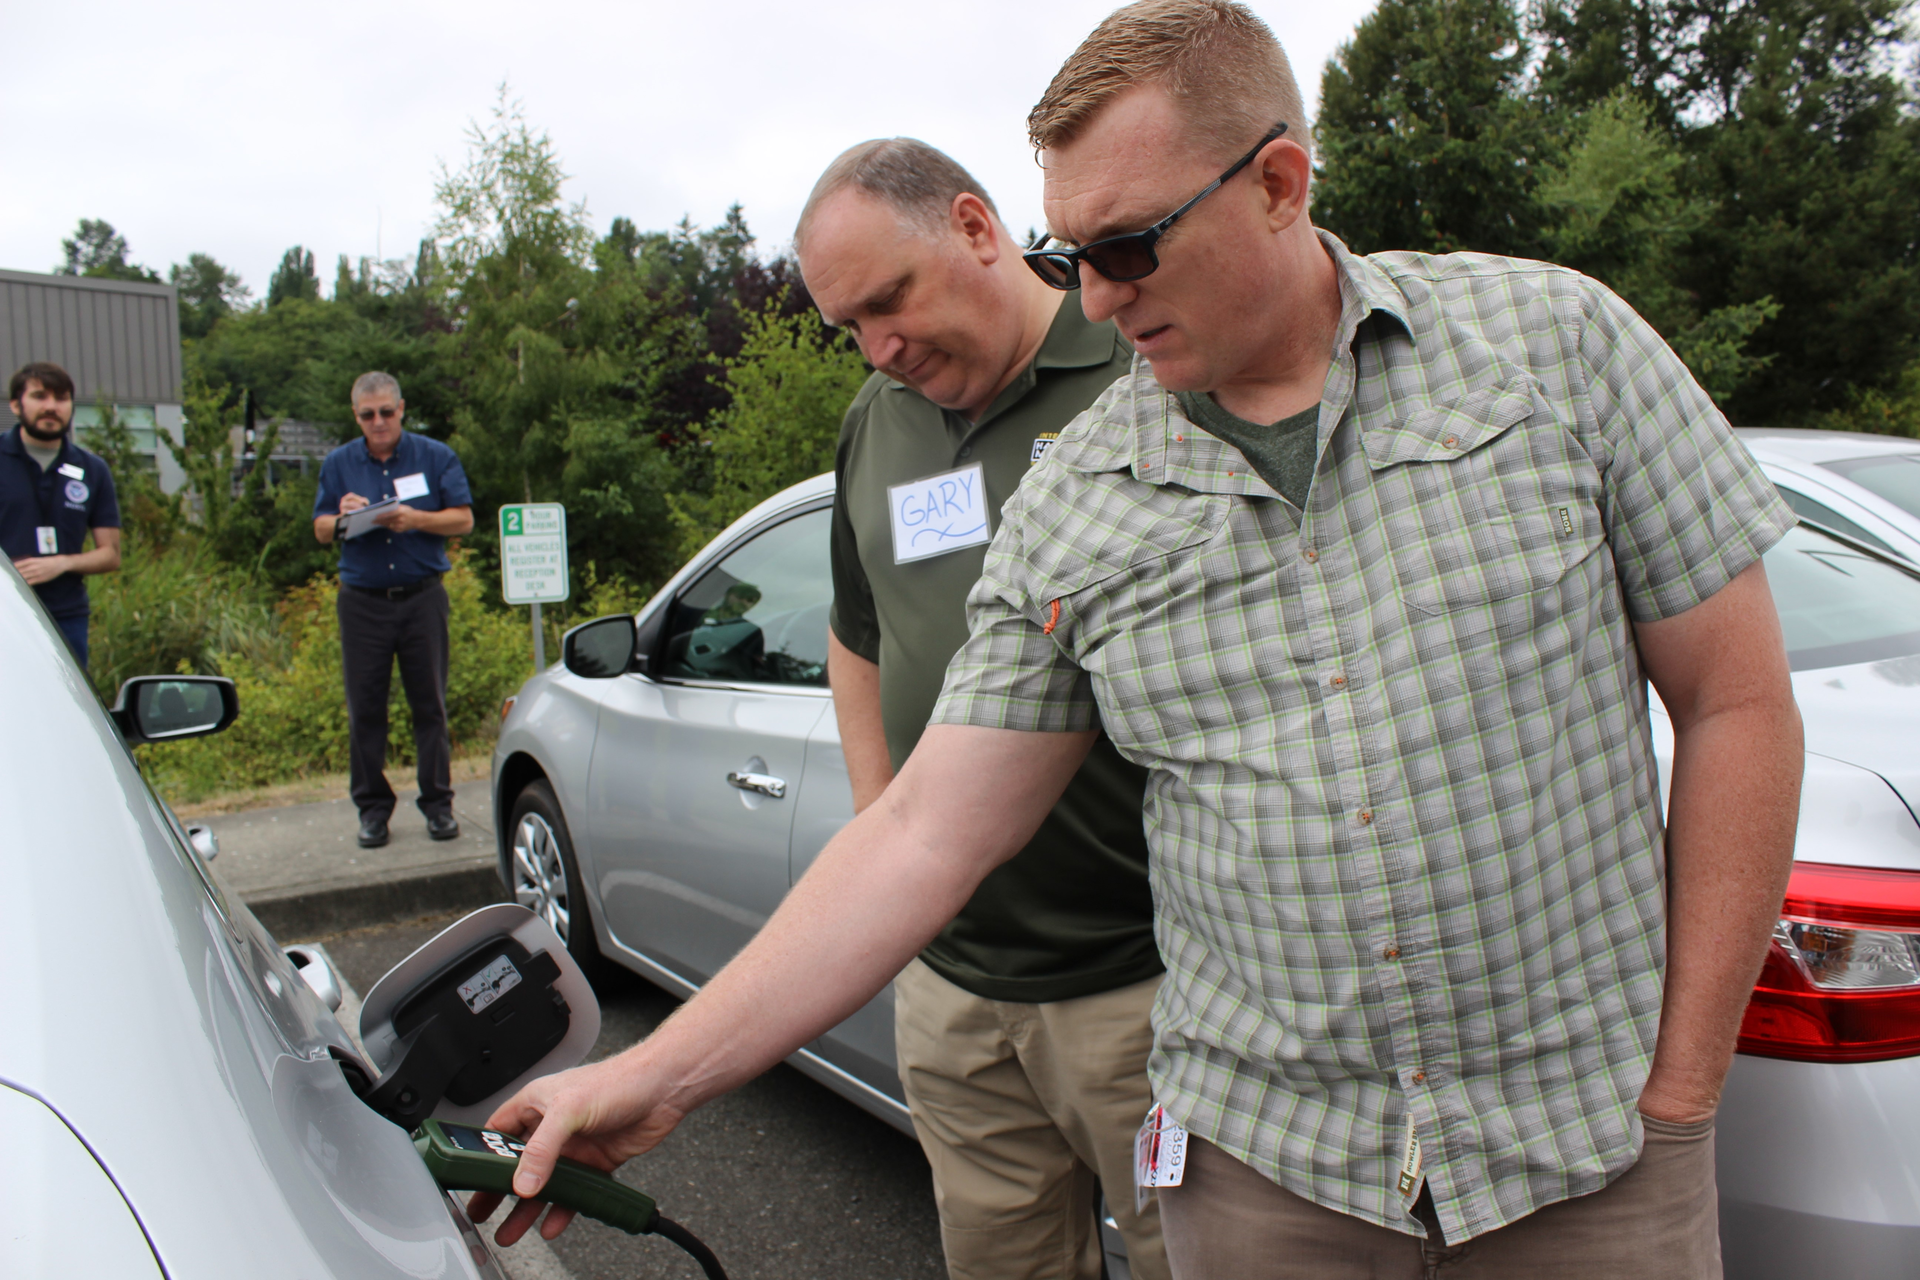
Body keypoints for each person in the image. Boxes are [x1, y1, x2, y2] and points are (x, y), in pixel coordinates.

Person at [471, 3, 1803, 1276]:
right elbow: (928, 830)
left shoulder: (1558, 350)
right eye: (1071, 253)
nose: (1095, 302)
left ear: (1278, 183)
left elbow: (1735, 703)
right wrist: (654, 1071)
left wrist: (1685, 1084)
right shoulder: (1082, 494)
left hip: (1587, 1161)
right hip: (1272, 1186)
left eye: (1124, 248)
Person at [795, 138, 1167, 1280]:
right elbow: (856, 637)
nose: (880, 348)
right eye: (848, 325)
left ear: (973, 225)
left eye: (889, 301)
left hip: (1147, 980)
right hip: (952, 989)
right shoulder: (880, 421)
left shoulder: (1145, 364)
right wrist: (884, 831)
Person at [313, 371, 473, 849]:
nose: (378, 422)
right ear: (356, 415)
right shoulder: (339, 463)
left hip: (422, 597)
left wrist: (414, 519)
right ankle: (373, 810)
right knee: (365, 710)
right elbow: (320, 528)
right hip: (362, 604)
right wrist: (343, 518)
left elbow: (463, 518)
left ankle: (438, 805)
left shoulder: (434, 456)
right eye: (368, 415)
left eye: (386, 412)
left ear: (401, 409)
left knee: (430, 705)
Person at [2, 362, 121, 668]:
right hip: (6, 614)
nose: (51, 407)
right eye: (40, 396)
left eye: (61, 398)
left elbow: (110, 554)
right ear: (16, 404)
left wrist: (62, 563)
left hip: (65, 617)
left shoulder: (92, 470)